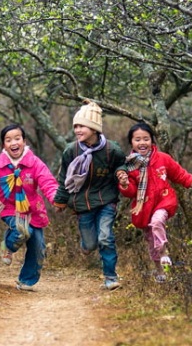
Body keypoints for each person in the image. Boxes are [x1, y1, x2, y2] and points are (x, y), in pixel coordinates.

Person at [53, 101, 127, 290]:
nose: (77, 130)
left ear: (94, 129)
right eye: (75, 126)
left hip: (106, 200)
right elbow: (64, 178)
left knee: (105, 237)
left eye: (82, 126)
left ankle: (110, 277)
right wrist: (60, 201)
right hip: (82, 203)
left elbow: (121, 164)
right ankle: (86, 244)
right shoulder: (71, 151)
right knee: (91, 243)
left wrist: (121, 173)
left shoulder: (112, 150)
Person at [116, 122, 192, 283]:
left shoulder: (162, 158)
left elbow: (178, 173)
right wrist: (125, 184)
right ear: (132, 143)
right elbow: (131, 192)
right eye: (137, 139)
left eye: (146, 139)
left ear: (152, 141)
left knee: (157, 222)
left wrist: (190, 181)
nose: (142, 143)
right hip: (144, 207)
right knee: (150, 240)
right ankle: (161, 271)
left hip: (164, 200)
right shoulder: (129, 166)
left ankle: (164, 252)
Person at [0, 124, 58, 291]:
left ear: (24, 141)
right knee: (22, 230)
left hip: (33, 211)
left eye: (17, 138)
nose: (14, 143)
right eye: (8, 140)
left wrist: (56, 198)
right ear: (3, 145)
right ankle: (8, 245)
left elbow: (47, 181)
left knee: (38, 247)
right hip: (10, 209)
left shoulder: (34, 163)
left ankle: (26, 280)